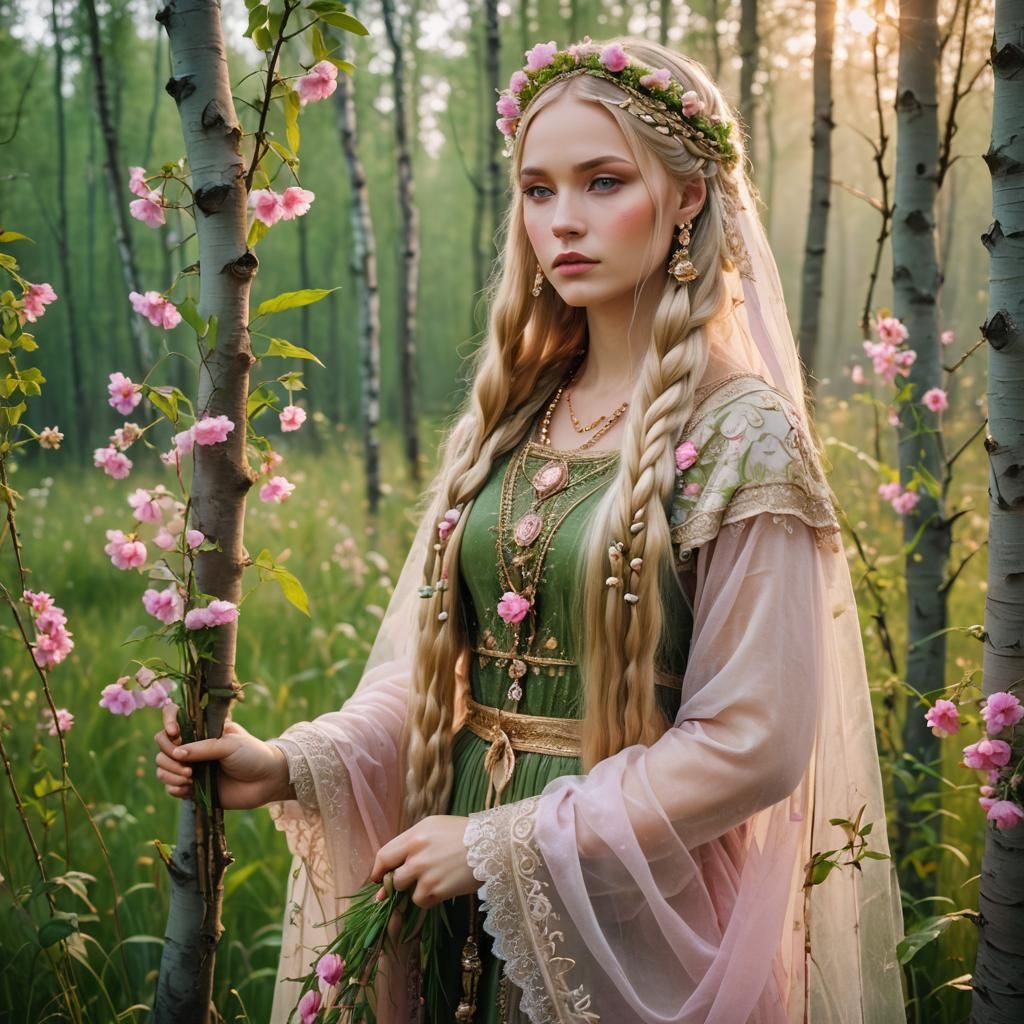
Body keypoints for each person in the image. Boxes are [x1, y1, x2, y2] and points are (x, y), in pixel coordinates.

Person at [153, 36, 905, 1023]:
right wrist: (292, 761)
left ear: (687, 196)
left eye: (602, 182)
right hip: (453, 873)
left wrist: (502, 839)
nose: (564, 221)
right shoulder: (514, 411)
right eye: (538, 190)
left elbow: (756, 741)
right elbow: (431, 679)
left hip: (632, 909)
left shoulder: (740, 432)